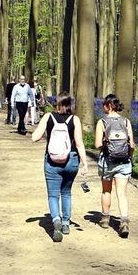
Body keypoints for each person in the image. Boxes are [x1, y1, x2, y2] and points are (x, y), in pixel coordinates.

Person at [31, 94, 88, 242]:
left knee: (53, 195)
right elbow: (80, 143)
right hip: (71, 160)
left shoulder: (48, 117)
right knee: (67, 193)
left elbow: (35, 137)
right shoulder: (75, 119)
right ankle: (65, 224)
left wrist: (45, 134)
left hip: (51, 161)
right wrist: (84, 163)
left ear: (57, 103)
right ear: (71, 105)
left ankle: (56, 219)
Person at [94, 94, 135, 238]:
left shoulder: (102, 122)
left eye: (104, 105)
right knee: (122, 193)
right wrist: (129, 156)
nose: (102, 107)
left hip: (107, 162)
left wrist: (106, 142)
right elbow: (132, 144)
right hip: (124, 162)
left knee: (106, 191)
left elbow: (97, 144)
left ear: (109, 106)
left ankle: (105, 219)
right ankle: (124, 222)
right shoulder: (126, 121)